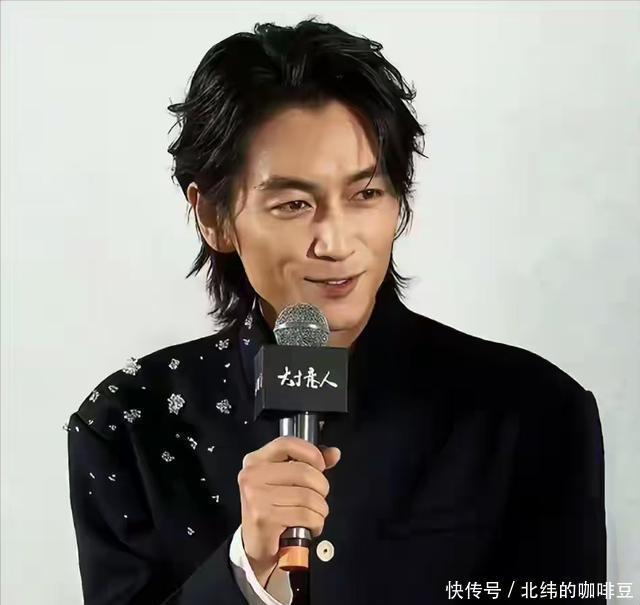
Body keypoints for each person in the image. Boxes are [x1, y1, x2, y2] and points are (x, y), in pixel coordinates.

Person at [66, 18, 606, 605]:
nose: (336, 242)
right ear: (213, 217)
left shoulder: (530, 413)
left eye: (365, 194)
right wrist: (246, 569)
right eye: (294, 204)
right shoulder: (131, 424)